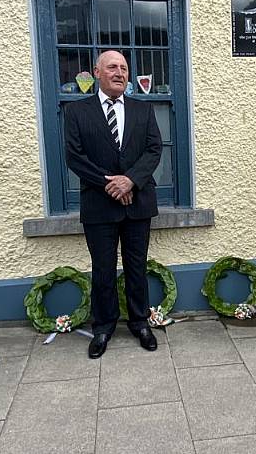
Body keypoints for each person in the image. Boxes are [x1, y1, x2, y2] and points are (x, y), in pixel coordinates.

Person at [64, 50, 162, 359]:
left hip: (138, 201)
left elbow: (153, 150)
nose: (119, 72)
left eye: (123, 68)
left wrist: (130, 180)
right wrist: (112, 184)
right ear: (96, 72)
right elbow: (75, 157)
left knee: (136, 266)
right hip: (99, 203)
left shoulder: (142, 110)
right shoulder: (77, 112)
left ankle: (139, 322)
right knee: (103, 269)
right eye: (111, 67)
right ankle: (103, 327)